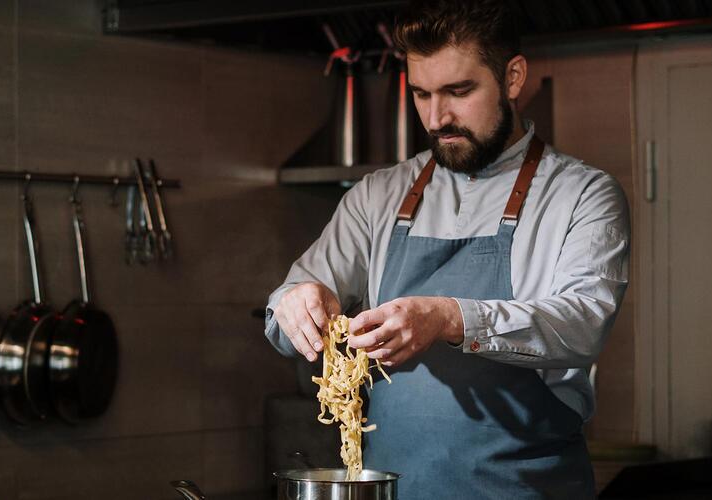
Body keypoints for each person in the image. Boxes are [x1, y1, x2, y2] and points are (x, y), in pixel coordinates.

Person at [262, 0, 630, 497]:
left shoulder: (582, 195)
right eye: (421, 94)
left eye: (459, 91)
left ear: (513, 78)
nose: (437, 118)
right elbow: (286, 309)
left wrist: (448, 318)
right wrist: (294, 302)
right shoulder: (378, 195)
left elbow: (582, 323)